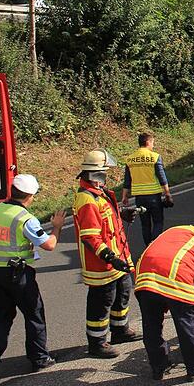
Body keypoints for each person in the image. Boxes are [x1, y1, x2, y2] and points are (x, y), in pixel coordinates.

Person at [0, 174, 66, 385]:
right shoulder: (24, 219)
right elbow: (49, 245)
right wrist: (57, 226)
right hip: (16, 274)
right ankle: (39, 358)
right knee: (34, 313)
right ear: (30, 196)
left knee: (3, 316)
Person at [134, 225, 194, 381]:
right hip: (174, 276)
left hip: (144, 278)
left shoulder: (176, 232)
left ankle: (159, 366)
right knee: (187, 322)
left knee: (151, 325)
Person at [73, 150, 141, 358]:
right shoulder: (87, 200)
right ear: (95, 173)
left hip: (117, 259)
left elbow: (108, 219)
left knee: (122, 293)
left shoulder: (100, 194)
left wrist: (123, 214)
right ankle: (97, 342)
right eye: (104, 173)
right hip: (102, 265)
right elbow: (91, 237)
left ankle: (120, 331)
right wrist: (110, 258)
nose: (106, 177)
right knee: (101, 302)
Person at [122, 132, 173, 247]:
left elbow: (127, 180)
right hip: (154, 197)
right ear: (147, 142)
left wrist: (124, 196)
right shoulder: (154, 157)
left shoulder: (130, 159)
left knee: (145, 225)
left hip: (139, 198)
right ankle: (153, 246)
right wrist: (167, 193)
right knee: (158, 222)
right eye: (152, 143)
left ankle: (147, 247)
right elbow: (162, 177)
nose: (153, 146)